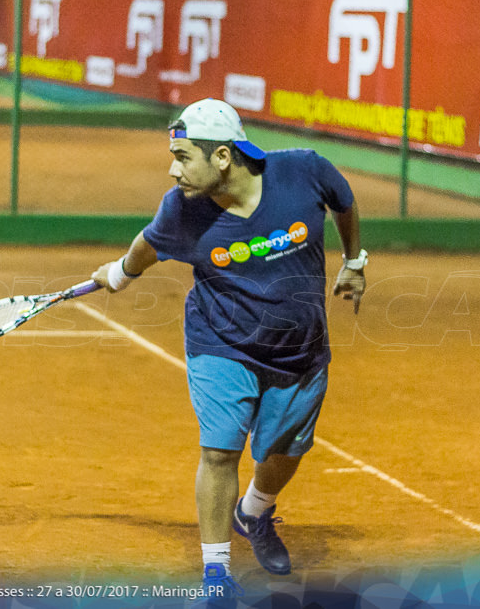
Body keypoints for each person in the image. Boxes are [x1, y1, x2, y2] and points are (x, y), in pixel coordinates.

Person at [91, 98, 367, 597]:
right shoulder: (181, 209)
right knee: (219, 452)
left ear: (222, 157)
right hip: (220, 341)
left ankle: (255, 512)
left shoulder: (304, 172)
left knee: (283, 450)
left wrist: (355, 260)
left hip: (299, 349)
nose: (174, 170)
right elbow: (149, 243)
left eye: (183, 157)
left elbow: (344, 202)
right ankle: (215, 574)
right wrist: (119, 273)